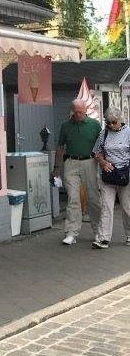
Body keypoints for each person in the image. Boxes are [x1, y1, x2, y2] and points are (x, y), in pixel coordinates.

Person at [52, 99, 101, 245]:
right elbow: (60, 146)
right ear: (72, 111)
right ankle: (71, 233)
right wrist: (56, 167)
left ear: (86, 110)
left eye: (81, 112)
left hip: (90, 162)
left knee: (93, 198)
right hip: (71, 162)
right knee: (72, 198)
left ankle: (98, 231)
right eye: (76, 112)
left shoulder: (95, 124)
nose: (79, 115)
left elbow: (102, 144)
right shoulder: (65, 126)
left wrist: (103, 161)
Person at [91, 106, 130, 249]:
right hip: (108, 174)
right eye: (108, 122)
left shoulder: (128, 132)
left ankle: (129, 234)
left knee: (126, 207)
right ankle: (103, 238)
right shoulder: (104, 133)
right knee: (106, 207)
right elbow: (96, 152)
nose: (111, 125)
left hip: (124, 174)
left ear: (121, 120)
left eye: (114, 122)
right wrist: (103, 162)